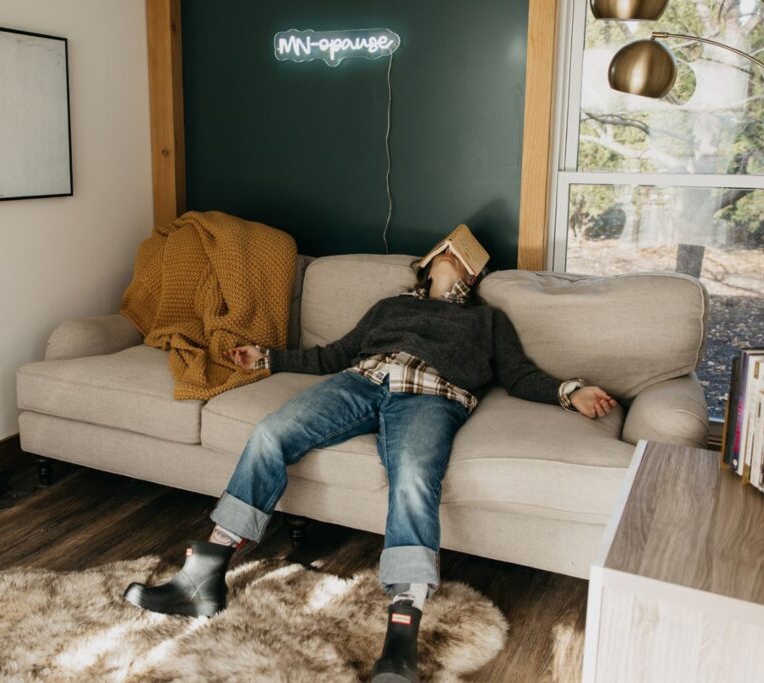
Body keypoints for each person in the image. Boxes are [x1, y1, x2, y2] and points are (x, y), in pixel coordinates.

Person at [124, 242, 616, 683]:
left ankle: (402, 632)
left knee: (414, 477)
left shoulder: (487, 321)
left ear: (472, 273)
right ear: (425, 265)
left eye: (460, 253)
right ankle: (203, 577)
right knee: (270, 432)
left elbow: (520, 374)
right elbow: (334, 354)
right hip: (361, 383)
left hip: (431, 398)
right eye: (443, 248)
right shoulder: (391, 307)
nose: (449, 252)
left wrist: (569, 392)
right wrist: (268, 359)